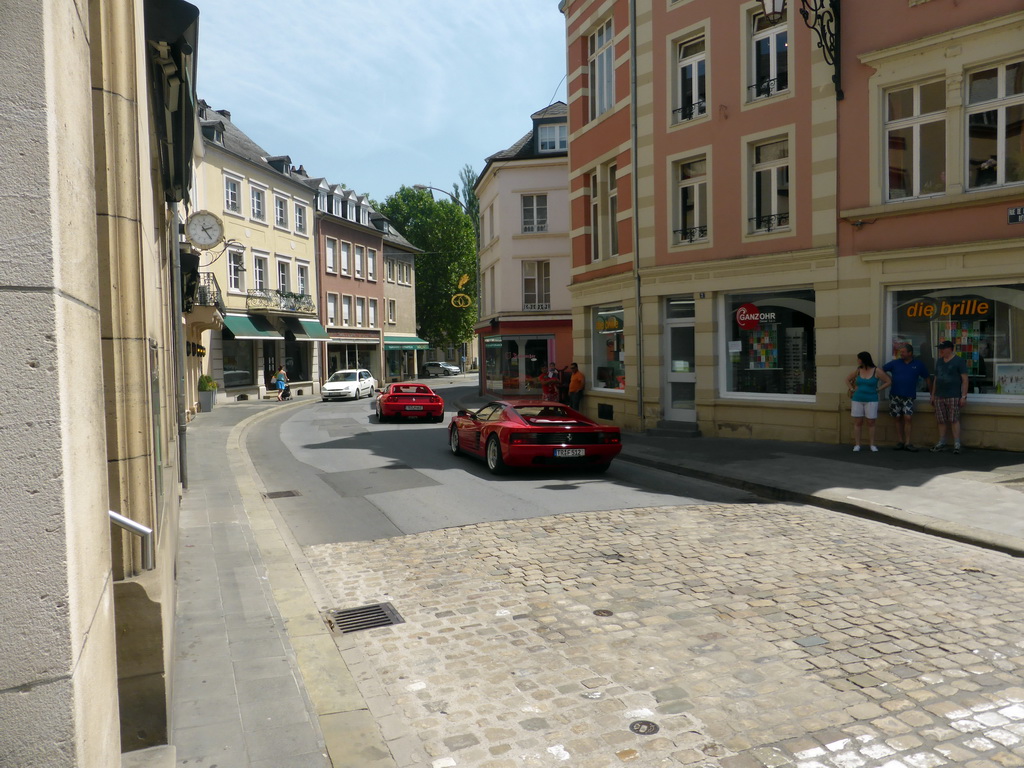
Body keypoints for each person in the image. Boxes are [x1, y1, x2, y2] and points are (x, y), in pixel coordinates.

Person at [882, 343, 931, 452]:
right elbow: (881, 370)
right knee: (897, 418)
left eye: (903, 352)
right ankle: (900, 441)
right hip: (895, 395)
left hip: (909, 396)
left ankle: (908, 442)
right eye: (900, 352)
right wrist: (888, 379)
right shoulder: (895, 363)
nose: (901, 354)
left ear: (910, 353)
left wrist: (931, 394)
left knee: (908, 418)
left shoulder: (918, 364)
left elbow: (927, 378)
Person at [845, 351, 891, 452]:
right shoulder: (858, 370)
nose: (857, 361)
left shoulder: (876, 371)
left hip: (871, 399)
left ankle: (872, 445)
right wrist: (852, 389)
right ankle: (857, 444)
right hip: (857, 399)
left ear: (864, 359)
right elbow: (847, 379)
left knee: (871, 422)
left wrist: (878, 389)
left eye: (859, 359)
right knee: (858, 422)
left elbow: (888, 381)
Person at [930, 339, 969, 454]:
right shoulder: (939, 361)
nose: (940, 351)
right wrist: (932, 395)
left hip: (953, 395)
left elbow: (965, 379)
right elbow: (936, 379)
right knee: (941, 420)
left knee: (954, 419)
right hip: (939, 395)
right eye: (940, 349)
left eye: (942, 349)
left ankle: (957, 443)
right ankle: (942, 441)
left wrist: (964, 396)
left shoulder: (959, 361)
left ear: (950, 349)